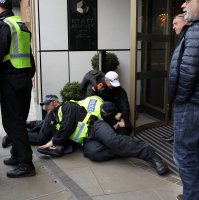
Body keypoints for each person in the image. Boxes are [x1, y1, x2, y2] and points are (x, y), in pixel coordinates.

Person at [37, 94, 169, 176]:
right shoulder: (55, 118)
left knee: (113, 141)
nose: (45, 108)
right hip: (87, 141)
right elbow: (58, 132)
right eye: (44, 106)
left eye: (47, 105)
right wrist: (54, 147)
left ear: (55, 102)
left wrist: (52, 142)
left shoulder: (66, 107)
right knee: (94, 154)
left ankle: (151, 155)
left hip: (95, 126)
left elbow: (67, 128)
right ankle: (124, 147)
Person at [0, 0, 36, 178]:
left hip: (10, 80)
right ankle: (16, 155)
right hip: (24, 79)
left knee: (12, 122)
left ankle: (26, 163)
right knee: (20, 119)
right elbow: (29, 54)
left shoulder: (4, 25)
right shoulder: (19, 24)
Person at [168, 0, 199, 199]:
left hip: (190, 105)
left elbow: (189, 70)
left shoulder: (195, 30)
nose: (183, 4)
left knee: (183, 154)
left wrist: (178, 99)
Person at [162, 14, 189, 143]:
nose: (173, 27)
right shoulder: (181, 38)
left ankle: (178, 137)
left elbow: (188, 68)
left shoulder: (189, 37)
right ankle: (175, 135)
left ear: (186, 22)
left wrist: (181, 93)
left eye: (175, 23)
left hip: (184, 89)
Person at [80, 70, 132, 136]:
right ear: (106, 80)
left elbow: (125, 104)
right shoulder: (93, 88)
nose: (113, 86)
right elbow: (91, 108)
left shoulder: (117, 87)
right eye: (112, 84)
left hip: (114, 113)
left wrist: (124, 118)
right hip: (101, 114)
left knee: (127, 127)